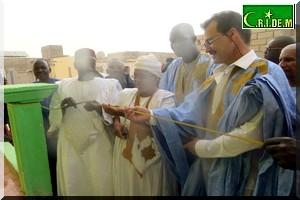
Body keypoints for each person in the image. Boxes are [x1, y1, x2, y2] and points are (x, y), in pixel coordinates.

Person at [124, 11, 296, 196]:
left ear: (232, 34)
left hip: (246, 180)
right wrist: (151, 115)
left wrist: (200, 147)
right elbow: (190, 112)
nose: (207, 49)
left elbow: (253, 133)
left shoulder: (267, 72)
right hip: (211, 174)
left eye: (210, 41)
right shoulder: (217, 73)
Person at [48, 48, 121, 196]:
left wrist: (100, 109)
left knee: (102, 183)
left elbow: (118, 116)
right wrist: (62, 108)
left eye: (91, 60)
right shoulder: (63, 86)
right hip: (70, 146)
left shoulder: (110, 85)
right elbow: (54, 119)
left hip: (99, 144)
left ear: (95, 62)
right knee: (74, 183)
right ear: (75, 64)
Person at [103, 54, 177, 196]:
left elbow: (166, 124)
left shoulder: (166, 98)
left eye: (143, 76)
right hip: (126, 158)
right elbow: (115, 114)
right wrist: (116, 124)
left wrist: (119, 111)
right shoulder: (125, 94)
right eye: (135, 75)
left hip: (154, 161)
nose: (137, 80)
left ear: (156, 77)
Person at [159, 23, 216, 105]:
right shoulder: (173, 66)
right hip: (170, 116)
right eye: (172, 41)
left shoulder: (210, 64)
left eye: (180, 40)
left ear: (194, 39)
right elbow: (164, 95)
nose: (175, 45)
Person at [32, 58, 60, 196]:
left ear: (49, 69)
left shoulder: (60, 85)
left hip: (61, 135)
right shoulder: (31, 89)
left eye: (43, 67)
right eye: (36, 69)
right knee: (50, 168)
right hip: (44, 138)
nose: (40, 71)